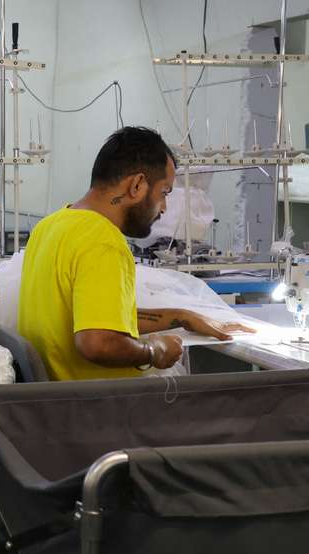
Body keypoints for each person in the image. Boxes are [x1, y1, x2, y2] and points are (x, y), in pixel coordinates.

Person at [17, 126, 253, 381]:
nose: (163, 207)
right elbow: (97, 342)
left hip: (55, 405)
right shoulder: (103, 241)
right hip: (99, 409)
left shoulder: (52, 225)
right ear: (137, 185)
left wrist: (182, 317)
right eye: (164, 193)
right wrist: (153, 350)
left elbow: (96, 318)